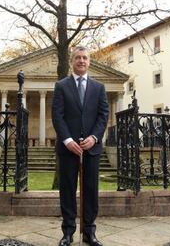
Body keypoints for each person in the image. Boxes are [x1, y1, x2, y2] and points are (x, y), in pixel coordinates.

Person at [52, 46, 109, 246]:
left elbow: (103, 115)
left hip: (91, 149)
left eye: (85, 58)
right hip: (69, 149)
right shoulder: (61, 86)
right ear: (71, 61)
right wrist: (67, 140)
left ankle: (89, 232)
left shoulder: (98, 87)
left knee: (91, 191)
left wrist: (94, 137)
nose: (82, 61)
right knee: (67, 190)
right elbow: (57, 116)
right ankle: (67, 232)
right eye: (78, 57)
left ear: (89, 61)